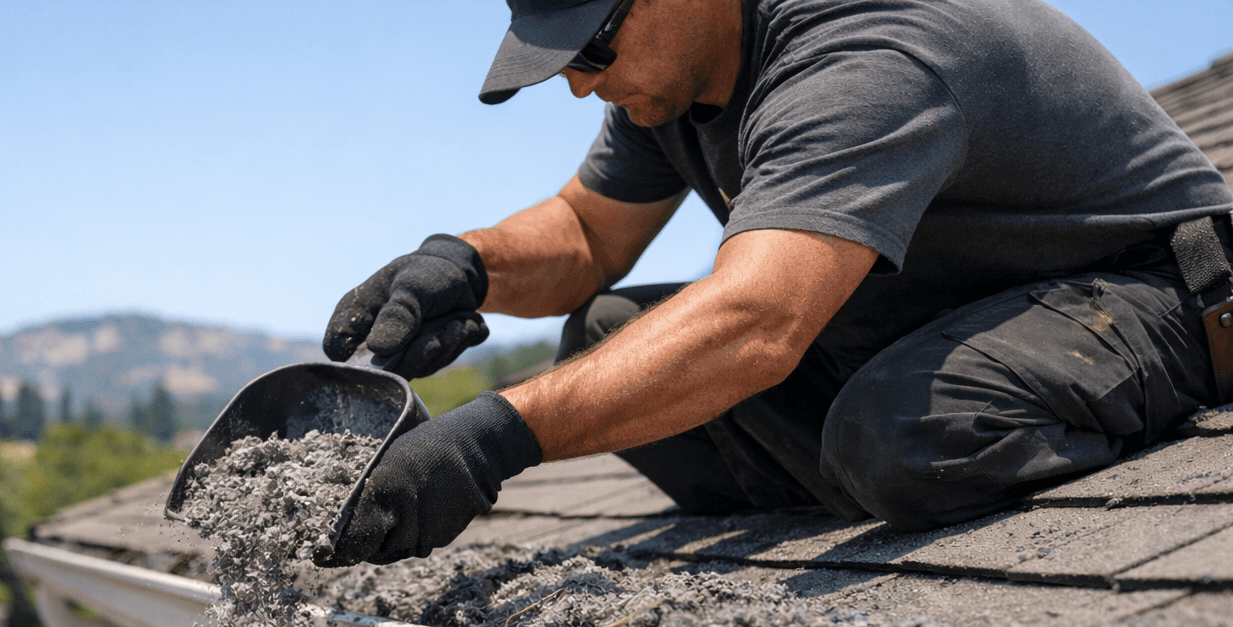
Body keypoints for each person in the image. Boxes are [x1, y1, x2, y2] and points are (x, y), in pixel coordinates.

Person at [319, 0, 1233, 566]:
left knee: (902, 434)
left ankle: (880, 458)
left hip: (1152, 290)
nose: (581, 85)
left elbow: (758, 320)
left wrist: (488, 441)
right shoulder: (672, 77)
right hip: (951, 307)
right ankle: (870, 464)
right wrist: (464, 265)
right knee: (605, 336)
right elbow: (588, 231)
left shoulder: (859, 57)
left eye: (592, 46)